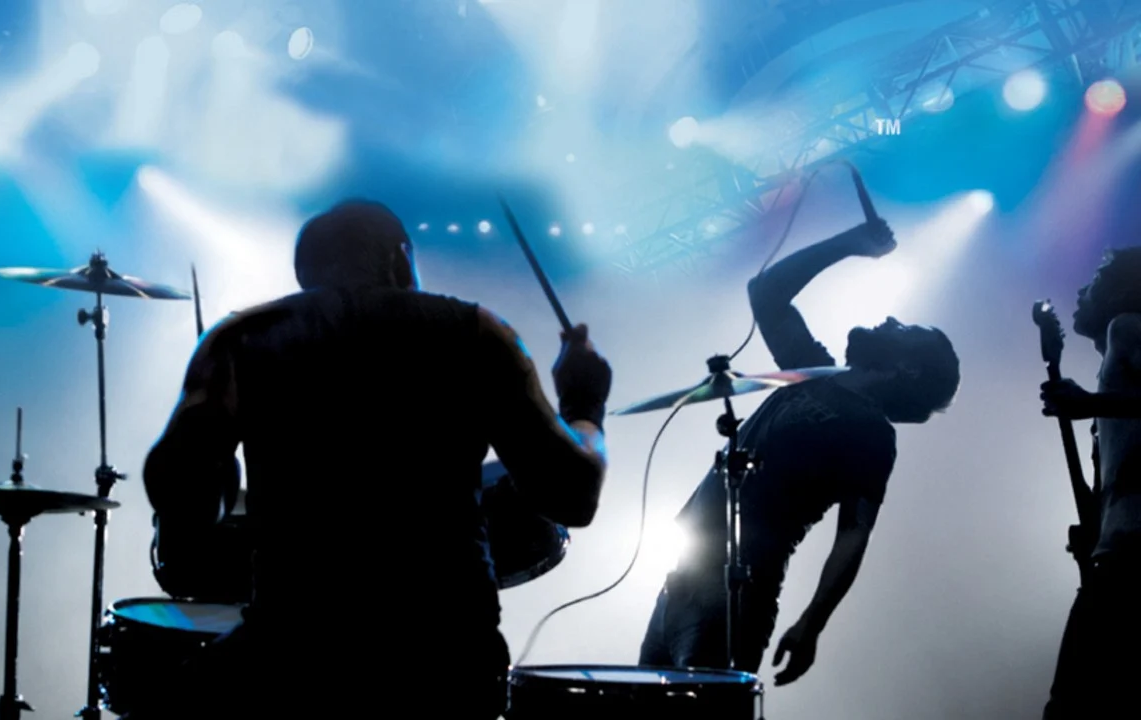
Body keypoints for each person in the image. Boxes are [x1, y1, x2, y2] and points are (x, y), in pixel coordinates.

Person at [139, 199, 612, 718]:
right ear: (401, 257)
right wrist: (584, 402)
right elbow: (573, 495)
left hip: (296, 652)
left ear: (305, 276)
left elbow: (183, 500)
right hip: (448, 659)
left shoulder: (241, 340)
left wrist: (222, 452)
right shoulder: (478, 333)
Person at [638, 220, 960, 685]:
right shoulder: (815, 371)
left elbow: (853, 535)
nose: (891, 320)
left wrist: (812, 622)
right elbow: (766, 292)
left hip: (737, 593)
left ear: (908, 367)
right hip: (682, 579)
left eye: (906, 329)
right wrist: (847, 242)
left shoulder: (871, 431)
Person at [1039, 246, 1141, 719]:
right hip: (1116, 558)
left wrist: (1090, 405)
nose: (1082, 289)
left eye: (1098, 276)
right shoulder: (1113, 372)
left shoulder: (1130, 326)